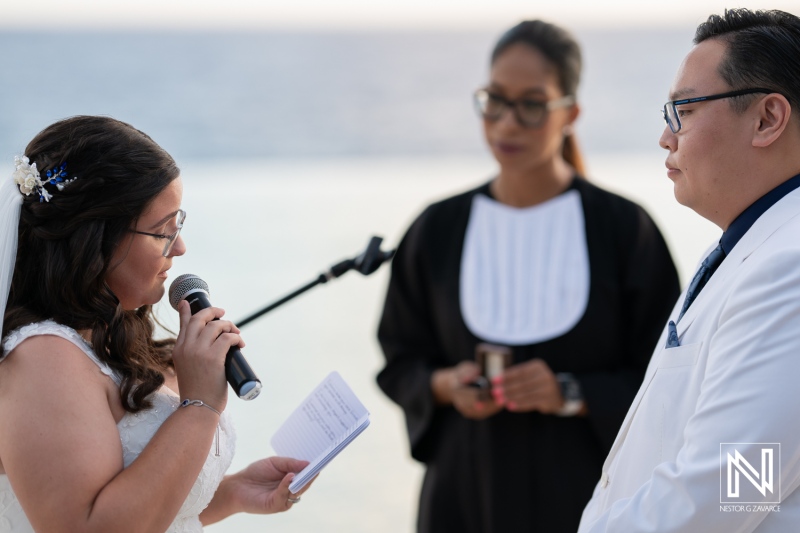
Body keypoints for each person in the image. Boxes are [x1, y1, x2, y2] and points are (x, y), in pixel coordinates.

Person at [376, 20, 680, 533]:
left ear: (571, 113)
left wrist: (571, 392)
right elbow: (399, 358)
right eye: (494, 100)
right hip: (459, 501)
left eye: (532, 104)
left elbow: (670, 378)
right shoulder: (436, 229)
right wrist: (446, 386)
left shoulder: (624, 230)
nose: (506, 124)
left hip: (588, 501)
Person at [0, 116, 311, 532]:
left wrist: (233, 494)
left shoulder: (112, 335)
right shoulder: (43, 357)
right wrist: (200, 406)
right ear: (95, 239)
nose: (179, 247)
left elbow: (140, 503)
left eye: (178, 224)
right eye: (162, 231)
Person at [578, 8, 800, 532]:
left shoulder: (790, 269)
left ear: (768, 119)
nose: (665, 136)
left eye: (684, 110)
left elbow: (734, 491)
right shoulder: (749, 247)